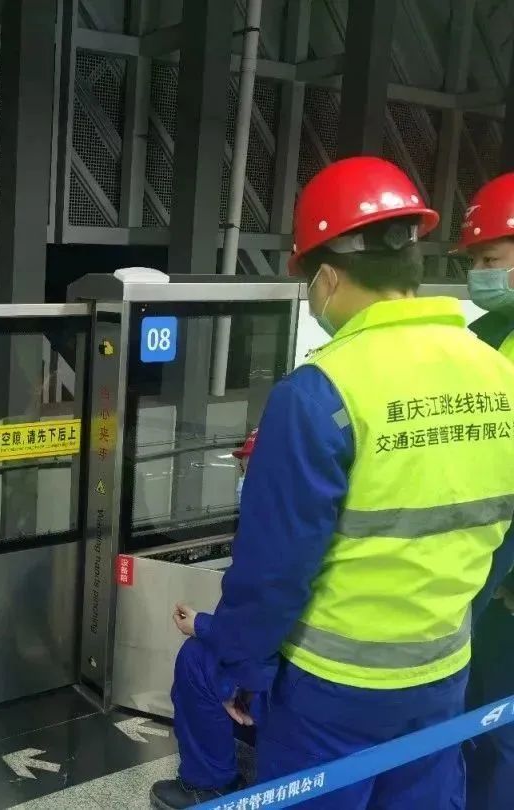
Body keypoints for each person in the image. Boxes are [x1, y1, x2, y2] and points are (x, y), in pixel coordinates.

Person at [150, 156, 514, 809]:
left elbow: (273, 570)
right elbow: (500, 534)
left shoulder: (321, 390)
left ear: (326, 276)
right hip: (441, 673)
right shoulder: (497, 375)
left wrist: (240, 668)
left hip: (330, 689)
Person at [148, 430, 261, 809]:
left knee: (197, 659)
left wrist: (200, 626)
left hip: (290, 674)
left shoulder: (271, 540)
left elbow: (255, 631)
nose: (242, 480)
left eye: (249, 470)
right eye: (242, 470)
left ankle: (208, 783)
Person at [452, 174, 514, 810]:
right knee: (475, 715)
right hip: (483, 572)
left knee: (504, 733)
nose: (480, 275)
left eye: (491, 260)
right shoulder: (486, 334)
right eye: (474, 262)